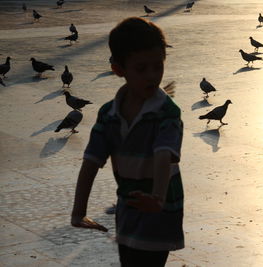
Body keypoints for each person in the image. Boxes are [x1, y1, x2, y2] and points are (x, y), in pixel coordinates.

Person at [71, 17, 184, 267]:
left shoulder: (167, 112)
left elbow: (163, 156)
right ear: (119, 70)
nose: (152, 75)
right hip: (129, 207)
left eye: (158, 66)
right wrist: (79, 212)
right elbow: (90, 161)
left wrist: (158, 199)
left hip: (161, 212)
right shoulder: (108, 114)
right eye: (141, 68)